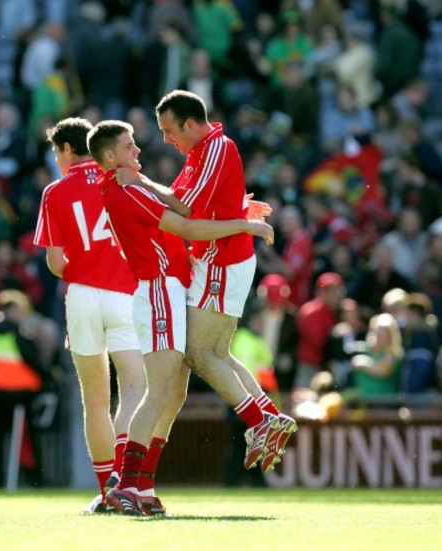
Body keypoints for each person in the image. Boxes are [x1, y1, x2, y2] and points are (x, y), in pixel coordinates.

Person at [87, 119, 276, 515]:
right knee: (159, 393)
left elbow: (179, 206)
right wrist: (244, 225)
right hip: (159, 291)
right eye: (128, 147)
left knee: (172, 396)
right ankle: (126, 484)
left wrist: (238, 209)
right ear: (109, 158)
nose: (137, 151)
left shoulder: (130, 187)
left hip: (168, 289)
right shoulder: (126, 190)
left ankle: (141, 487)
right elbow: (187, 223)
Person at [121, 89, 298, 475]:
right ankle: (268, 415)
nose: (168, 140)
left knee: (199, 353)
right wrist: (238, 210)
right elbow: (191, 199)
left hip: (220, 261)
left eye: (170, 131)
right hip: (221, 260)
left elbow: (184, 208)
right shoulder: (203, 151)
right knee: (216, 351)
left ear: (190, 123)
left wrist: (139, 182)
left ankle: (260, 421)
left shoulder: (216, 148)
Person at [32, 117, 146, 512]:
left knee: (94, 399)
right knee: (134, 388)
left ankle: (104, 492)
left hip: (81, 297)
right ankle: (124, 482)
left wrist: (85, 266)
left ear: (66, 149)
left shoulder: (55, 191)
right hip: (125, 294)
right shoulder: (121, 177)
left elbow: (56, 262)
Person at [0, 289, 48, 488]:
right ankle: (33, 480)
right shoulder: (17, 331)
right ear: (13, 309)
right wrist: (47, 375)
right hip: (18, 393)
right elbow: (32, 359)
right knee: (25, 438)